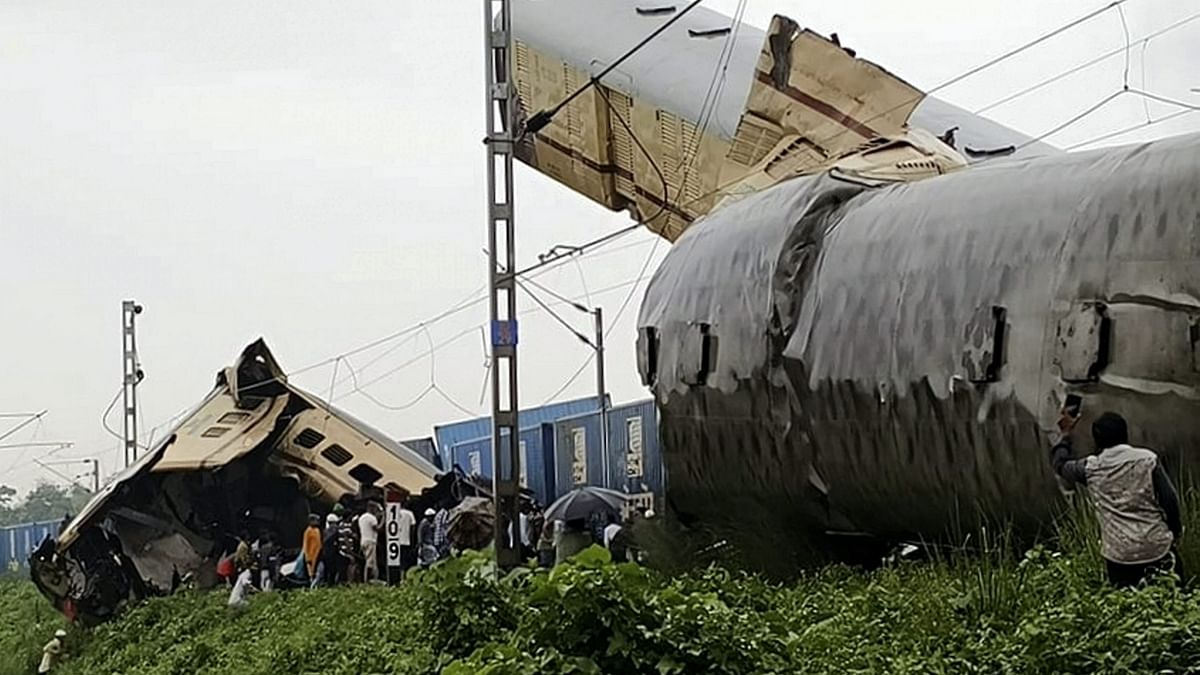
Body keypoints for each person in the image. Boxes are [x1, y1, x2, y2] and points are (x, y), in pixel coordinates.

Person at [1051, 409, 1184, 587]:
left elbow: (1059, 464)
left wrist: (1066, 434)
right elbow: (1169, 500)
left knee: (1127, 608)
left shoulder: (1091, 469)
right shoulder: (1147, 460)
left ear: (1097, 440)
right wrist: (1175, 532)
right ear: (1125, 433)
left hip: (1120, 556)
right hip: (1156, 547)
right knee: (1174, 598)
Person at [319, 513, 345, 586]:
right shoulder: (334, 531)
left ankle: (328, 584)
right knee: (333, 572)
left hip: (325, 555)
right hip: (332, 555)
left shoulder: (324, 531)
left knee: (327, 573)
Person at [359, 504, 381, 583]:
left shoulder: (362, 517)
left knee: (368, 560)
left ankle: (370, 579)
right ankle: (367, 580)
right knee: (370, 562)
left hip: (363, 540)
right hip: (370, 541)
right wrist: (383, 520)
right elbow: (377, 528)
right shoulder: (372, 518)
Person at [302, 514, 322, 585]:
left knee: (318, 574)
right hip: (311, 556)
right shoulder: (308, 531)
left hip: (318, 555)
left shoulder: (317, 530)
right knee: (312, 575)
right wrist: (307, 558)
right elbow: (305, 545)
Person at [397, 500, 416, 576]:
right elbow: (413, 526)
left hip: (395, 541)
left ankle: (398, 576)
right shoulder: (409, 513)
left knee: (397, 560)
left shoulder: (395, 513)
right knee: (405, 561)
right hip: (406, 540)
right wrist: (412, 539)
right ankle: (403, 576)